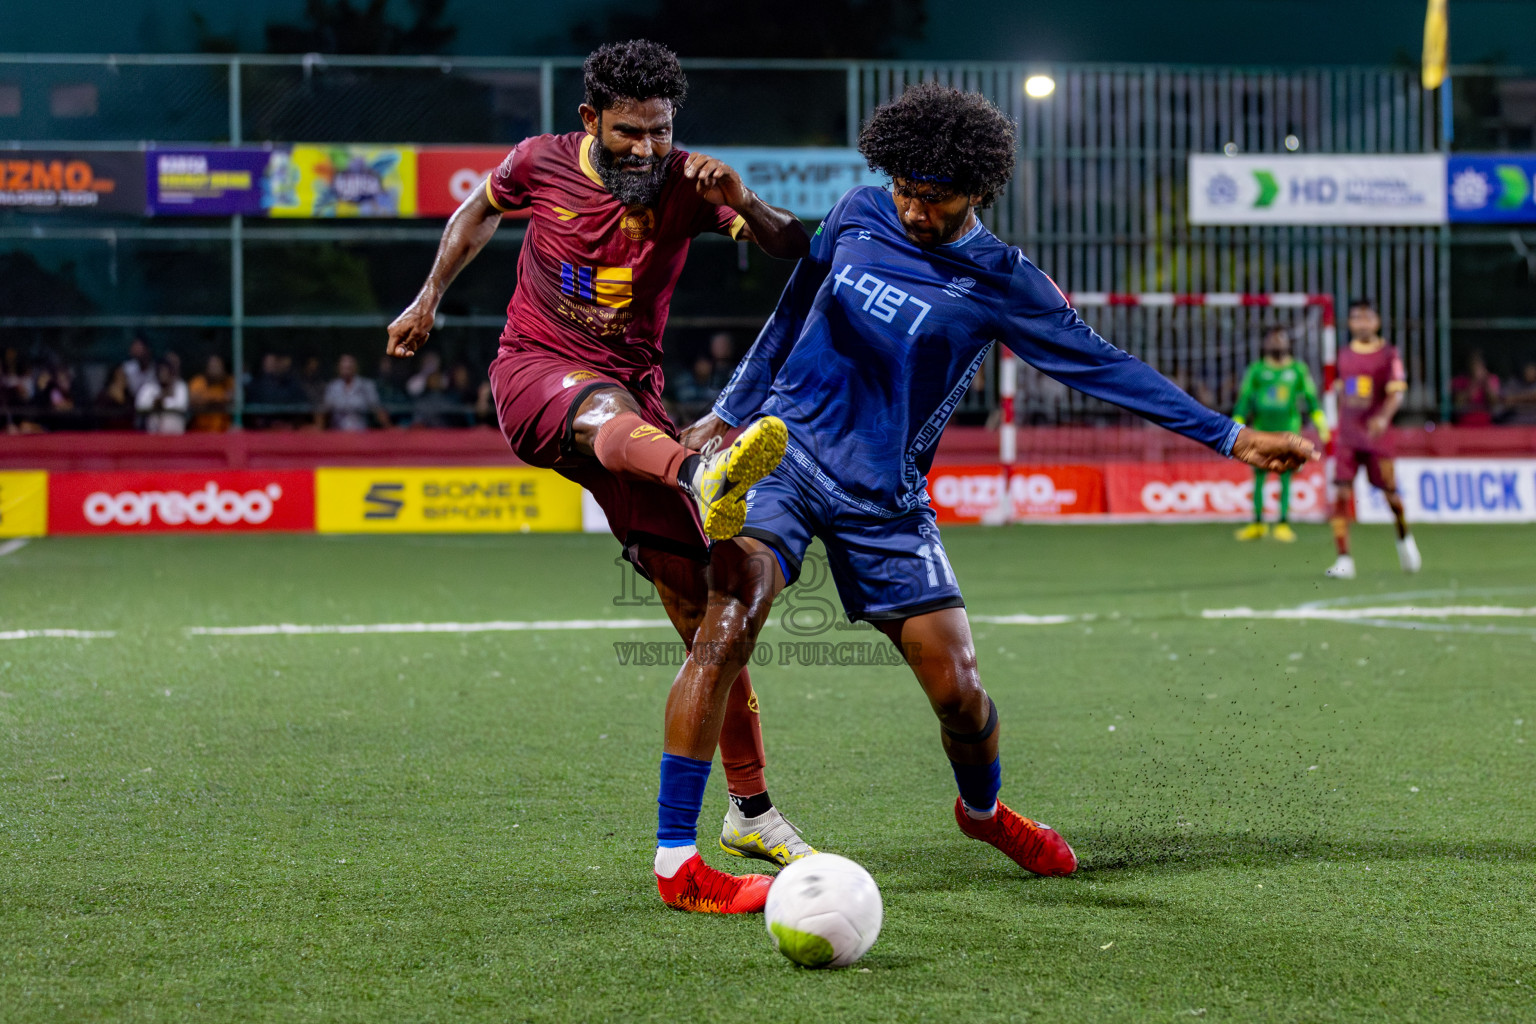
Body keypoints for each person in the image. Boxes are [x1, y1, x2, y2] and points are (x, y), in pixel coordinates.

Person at [674, 83, 1316, 899]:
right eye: (904, 189)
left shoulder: (1005, 279)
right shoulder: (859, 212)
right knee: (737, 610)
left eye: (933, 198)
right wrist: (729, 412)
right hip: (787, 454)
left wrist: (1228, 434)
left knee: (962, 696)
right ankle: (694, 845)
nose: (912, 211)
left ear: (976, 190)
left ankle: (981, 811)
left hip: (887, 500)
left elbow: (1104, 365)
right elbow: (791, 307)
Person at [385, 39, 815, 912]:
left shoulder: (690, 184)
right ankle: (700, 471)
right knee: (603, 412)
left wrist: (745, 201)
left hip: (637, 403)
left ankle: (740, 818)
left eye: (660, 131)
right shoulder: (539, 162)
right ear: (591, 122)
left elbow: (791, 248)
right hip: (537, 376)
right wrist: (428, 295)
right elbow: (475, 210)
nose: (648, 149)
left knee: (716, 609)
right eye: (629, 132)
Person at [1326, 299, 1420, 579]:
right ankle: (1344, 558)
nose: (1362, 323)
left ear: (1377, 322)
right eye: (1356, 317)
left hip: (1377, 437)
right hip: (1347, 437)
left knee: (1391, 495)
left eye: (1368, 317)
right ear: (1350, 323)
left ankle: (1404, 539)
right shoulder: (1341, 356)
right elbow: (1337, 393)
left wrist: (1383, 417)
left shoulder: (1388, 354)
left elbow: (1397, 392)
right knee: (1341, 494)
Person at [1231, 327, 1329, 542]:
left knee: (1285, 476)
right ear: (1265, 344)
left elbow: (1311, 398)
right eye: (1272, 339)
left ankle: (1283, 523)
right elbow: (1245, 398)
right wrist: (1237, 420)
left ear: (1287, 343)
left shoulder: (1297, 370)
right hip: (1261, 433)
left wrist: (1321, 422)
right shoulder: (1257, 370)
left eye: (1280, 339)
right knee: (1258, 476)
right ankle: (1257, 523)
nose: (1276, 344)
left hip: (1288, 434)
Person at [319, 354, 391, 431]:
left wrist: (389, 428)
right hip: (337, 433)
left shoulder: (366, 385)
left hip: (360, 433)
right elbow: (324, 410)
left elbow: (377, 409)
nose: (346, 370)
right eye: (343, 367)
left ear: (355, 368)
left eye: (349, 367)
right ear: (338, 368)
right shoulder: (332, 387)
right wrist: (318, 429)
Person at [135, 357, 189, 435]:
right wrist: (155, 402)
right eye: (161, 371)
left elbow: (182, 405)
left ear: (171, 372)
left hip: (175, 433)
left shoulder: (179, 385)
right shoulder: (150, 387)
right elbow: (139, 405)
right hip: (154, 433)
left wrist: (163, 402)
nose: (163, 374)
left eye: (166, 371)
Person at [1451, 350, 1501, 426]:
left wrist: (1486, 384)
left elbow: (1494, 402)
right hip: (1464, 421)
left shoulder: (1491, 379)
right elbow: (1458, 403)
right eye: (1473, 364)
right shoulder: (1460, 380)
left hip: (1485, 421)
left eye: (1479, 364)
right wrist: (1474, 383)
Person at [188, 354, 234, 432]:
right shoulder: (198, 382)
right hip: (200, 429)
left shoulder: (228, 382)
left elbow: (233, 398)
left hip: (223, 429)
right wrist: (219, 399)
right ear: (206, 368)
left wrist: (207, 400)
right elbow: (193, 400)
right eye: (212, 366)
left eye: (217, 366)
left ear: (223, 368)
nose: (214, 369)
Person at [120, 336, 155, 403]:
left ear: (147, 349)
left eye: (139, 348)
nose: (136, 351)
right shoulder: (127, 368)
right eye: (135, 348)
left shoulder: (155, 370)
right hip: (129, 403)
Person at [1505, 361, 1536, 425]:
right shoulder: (1514, 383)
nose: (1530, 373)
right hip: (1517, 418)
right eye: (1528, 370)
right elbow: (1507, 401)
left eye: (1532, 370)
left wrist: (1516, 398)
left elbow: (1534, 396)